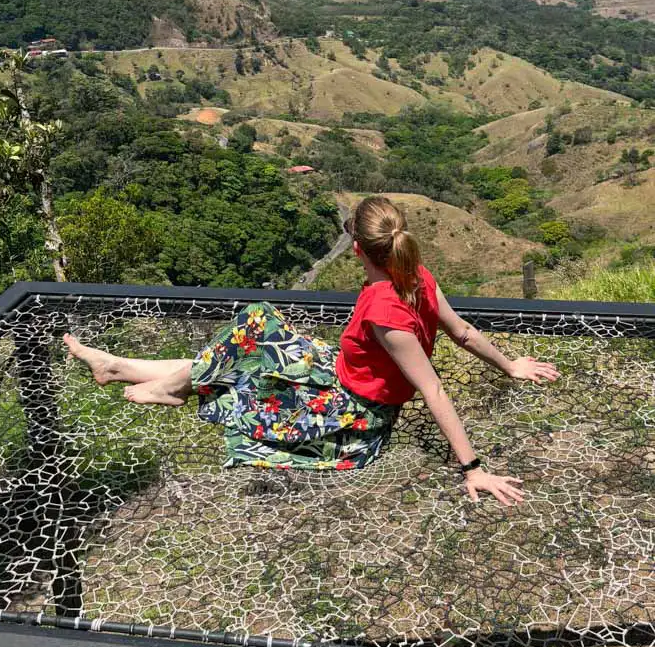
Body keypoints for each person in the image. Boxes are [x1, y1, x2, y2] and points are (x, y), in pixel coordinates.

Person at [64, 195, 560, 506]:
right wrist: (511, 365)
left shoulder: (387, 312)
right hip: (338, 369)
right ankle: (119, 366)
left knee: (245, 347)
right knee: (246, 339)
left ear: (359, 251)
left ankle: (167, 384)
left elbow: (430, 386)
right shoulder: (417, 277)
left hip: (351, 408)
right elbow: (464, 332)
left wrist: (473, 470)